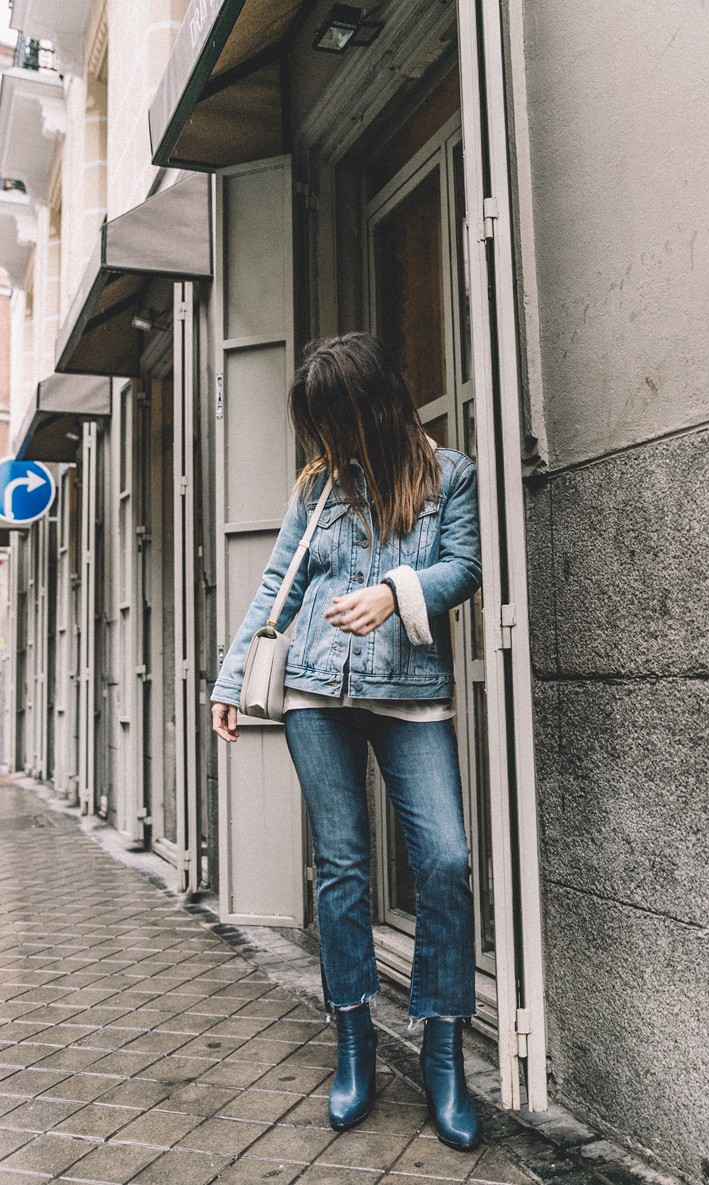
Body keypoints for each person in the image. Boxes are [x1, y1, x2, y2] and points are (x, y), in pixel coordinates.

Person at [211, 332, 483, 1151]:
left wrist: (395, 592)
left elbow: (464, 567)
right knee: (342, 866)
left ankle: (442, 1049)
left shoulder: (448, 475)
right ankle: (354, 1040)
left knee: (444, 859)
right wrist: (231, 679)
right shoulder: (319, 484)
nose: (325, 437)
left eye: (334, 418)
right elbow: (278, 582)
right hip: (314, 693)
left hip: (411, 694)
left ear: (371, 406)